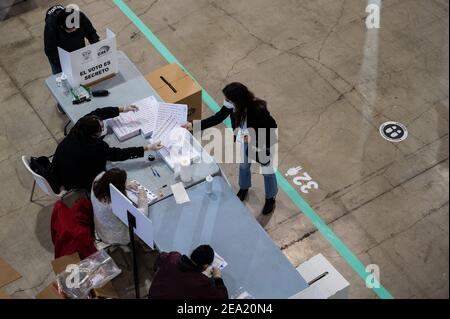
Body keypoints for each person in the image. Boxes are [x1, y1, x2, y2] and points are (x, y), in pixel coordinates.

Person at [184, 82, 278, 215]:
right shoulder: (231, 105)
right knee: (244, 166)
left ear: (238, 100)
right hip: (244, 140)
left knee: (267, 170)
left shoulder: (258, 109)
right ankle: (244, 187)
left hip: (262, 141)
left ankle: (270, 198)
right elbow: (217, 118)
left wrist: (254, 138)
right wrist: (193, 125)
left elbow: (272, 126)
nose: (226, 102)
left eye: (228, 99)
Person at [52, 105, 163, 191]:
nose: (103, 126)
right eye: (101, 127)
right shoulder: (95, 148)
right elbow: (119, 154)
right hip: (72, 179)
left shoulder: (80, 126)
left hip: (57, 167)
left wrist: (122, 109)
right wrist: (148, 147)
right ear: (94, 136)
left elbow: (99, 112)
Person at [91, 168, 148, 245]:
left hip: (101, 230)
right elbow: (139, 219)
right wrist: (142, 198)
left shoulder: (98, 180)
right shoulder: (115, 204)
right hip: (115, 239)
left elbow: (110, 181)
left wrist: (125, 185)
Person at [148, 245, 228, 299]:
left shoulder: (173, 257)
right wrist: (218, 277)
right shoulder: (202, 283)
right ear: (206, 266)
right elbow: (222, 297)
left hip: (153, 295)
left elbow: (160, 257)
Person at [44, 5, 100, 75]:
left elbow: (91, 33)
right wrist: (66, 65)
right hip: (59, 56)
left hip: (78, 48)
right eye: (71, 30)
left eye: (75, 28)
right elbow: (50, 51)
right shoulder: (51, 26)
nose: (74, 30)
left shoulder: (79, 16)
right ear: (62, 27)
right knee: (61, 76)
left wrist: (97, 47)